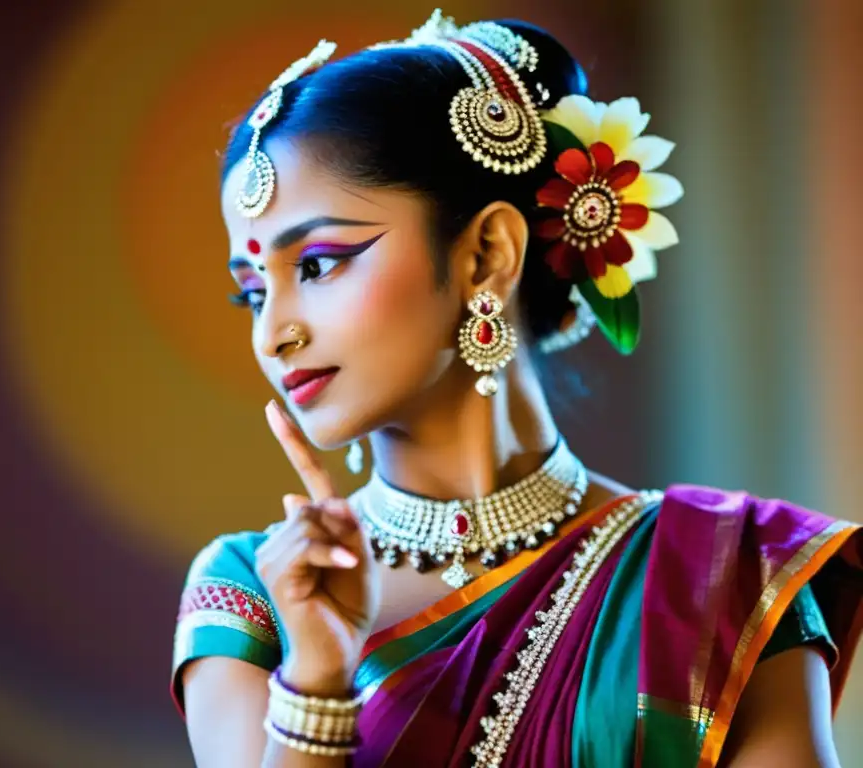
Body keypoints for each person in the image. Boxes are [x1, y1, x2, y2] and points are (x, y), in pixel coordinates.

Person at [171, 10, 863, 767]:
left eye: (317, 264)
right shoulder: (256, 597)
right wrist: (315, 680)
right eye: (252, 293)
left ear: (485, 255)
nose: (274, 333)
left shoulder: (724, 577)